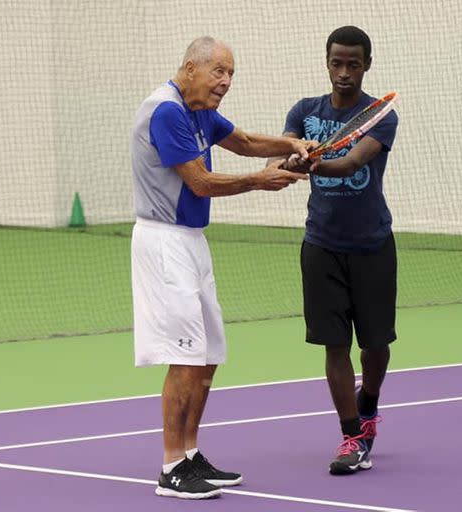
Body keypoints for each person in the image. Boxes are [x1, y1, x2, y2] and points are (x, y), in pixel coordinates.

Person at [130, 36, 315, 499]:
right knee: (186, 354)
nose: (226, 82)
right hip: (163, 242)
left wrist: (291, 142)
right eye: (219, 72)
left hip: (191, 241)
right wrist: (259, 181)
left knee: (208, 352)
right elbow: (200, 182)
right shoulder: (168, 111)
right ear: (191, 67)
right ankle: (172, 466)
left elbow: (245, 141)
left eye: (230, 74)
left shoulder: (198, 111)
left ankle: (191, 455)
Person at [279, 26, 399, 475]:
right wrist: (290, 159)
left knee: (376, 346)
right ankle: (353, 435)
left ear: (367, 64)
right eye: (336, 62)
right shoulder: (305, 112)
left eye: (353, 63)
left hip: (372, 246)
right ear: (326, 62)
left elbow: (350, 163)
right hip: (321, 247)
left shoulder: (380, 115)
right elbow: (282, 152)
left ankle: (369, 403)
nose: (344, 72)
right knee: (334, 345)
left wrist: (313, 163)